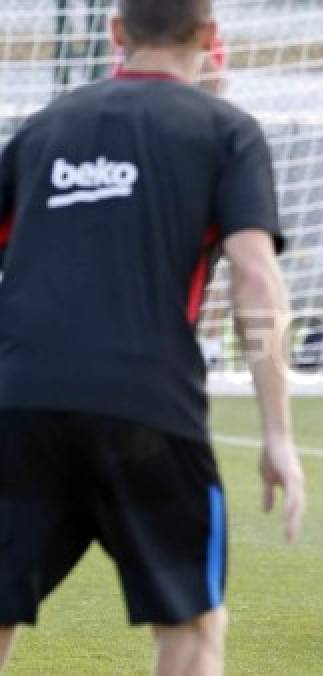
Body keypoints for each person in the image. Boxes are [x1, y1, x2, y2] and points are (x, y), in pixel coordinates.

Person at [0, 1, 305, 673]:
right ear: (210, 38)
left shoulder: (42, 130)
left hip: (19, 405)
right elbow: (255, 274)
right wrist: (278, 433)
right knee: (191, 630)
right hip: (148, 410)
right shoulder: (227, 131)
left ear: (115, 34)